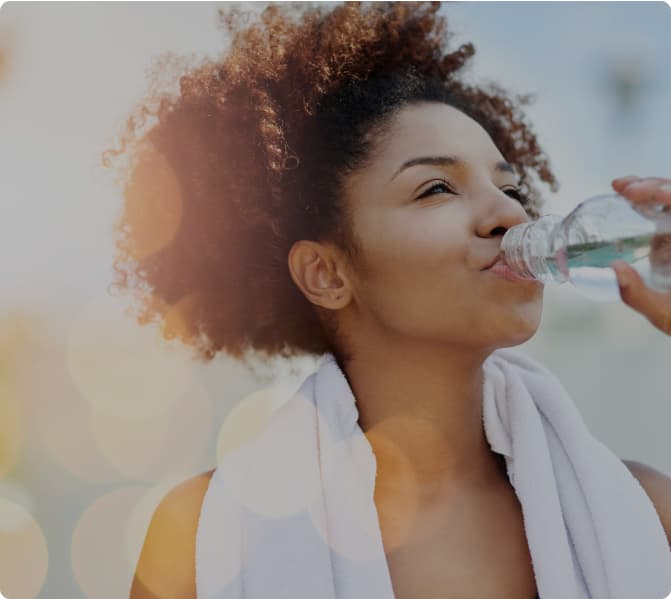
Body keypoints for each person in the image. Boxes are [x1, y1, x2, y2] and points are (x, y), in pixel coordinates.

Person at [102, 3, 671, 598]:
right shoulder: (200, 541)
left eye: (510, 187)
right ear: (325, 273)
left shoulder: (646, 514)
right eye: (436, 188)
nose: (509, 214)